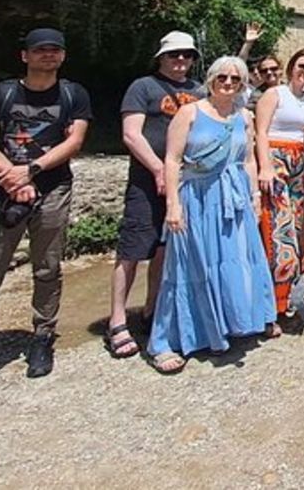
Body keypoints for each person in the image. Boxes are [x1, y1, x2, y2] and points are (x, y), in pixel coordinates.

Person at [0, 29, 92, 394]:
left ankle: (42, 337)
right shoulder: (1, 94)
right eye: (40, 50)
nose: (48, 55)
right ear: (25, 56)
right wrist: (14, 179)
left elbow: (74, 141)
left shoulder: (73, 95)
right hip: (1, 194)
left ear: (63, 56)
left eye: (55, 50)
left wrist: (31, 170)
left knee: (48, 269)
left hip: (53, 189)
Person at [146, 56, 276, 373]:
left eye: (235, 79)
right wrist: (173, 205)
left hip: (234, 198)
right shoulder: (189, 113)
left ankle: (233, 322)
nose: (228, 83)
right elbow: (173, 160)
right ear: (211, 80)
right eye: (222, 77)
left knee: (234, 261)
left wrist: (254, 197)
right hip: (198, 198)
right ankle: (168, 340)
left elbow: (248, 160)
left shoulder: (243, 117)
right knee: (191, 264)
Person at [107, 31, 203, 361]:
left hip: (185, 182)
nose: (181, 60)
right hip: (146, 181)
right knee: (132, 248)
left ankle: (152, 310)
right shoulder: (143, 87)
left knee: (166, 249)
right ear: (161, 57)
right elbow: (131, 135)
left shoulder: (199, 91)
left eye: (187, 55)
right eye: (175, 54)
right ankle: (117, 320)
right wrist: (159, 169)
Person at [254, 49, 304, 334]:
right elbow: (261, 132)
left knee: (293, 234)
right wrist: (265, 167)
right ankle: (270, 307)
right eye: (302, 66)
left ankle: (284, 301)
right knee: (277, 233)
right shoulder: (275, 94)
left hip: (298, 170)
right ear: (291, 67)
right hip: (276, 164)